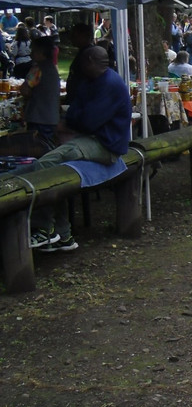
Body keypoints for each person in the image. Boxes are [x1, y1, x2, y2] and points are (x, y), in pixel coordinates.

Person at [24, 46, 131, 252]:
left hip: (105, 145)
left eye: (82, 61)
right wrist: (73, 119)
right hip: (90, 137)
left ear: (90, 61)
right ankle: (63, 234)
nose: (79, 66)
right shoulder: (90, 81)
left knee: (45, 164)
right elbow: (75, 111)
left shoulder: (110, 84)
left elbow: (87, 121)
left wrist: (71, 121)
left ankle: (43, 227)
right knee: (56, 172)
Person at [19, 36, 61, 150]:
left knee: (36, 149)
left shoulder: (37, 69)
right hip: (51, 118)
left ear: (41, 52)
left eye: (33, 51)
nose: (31, 54)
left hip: (38, 118)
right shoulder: (52, 68)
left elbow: (25, 89)